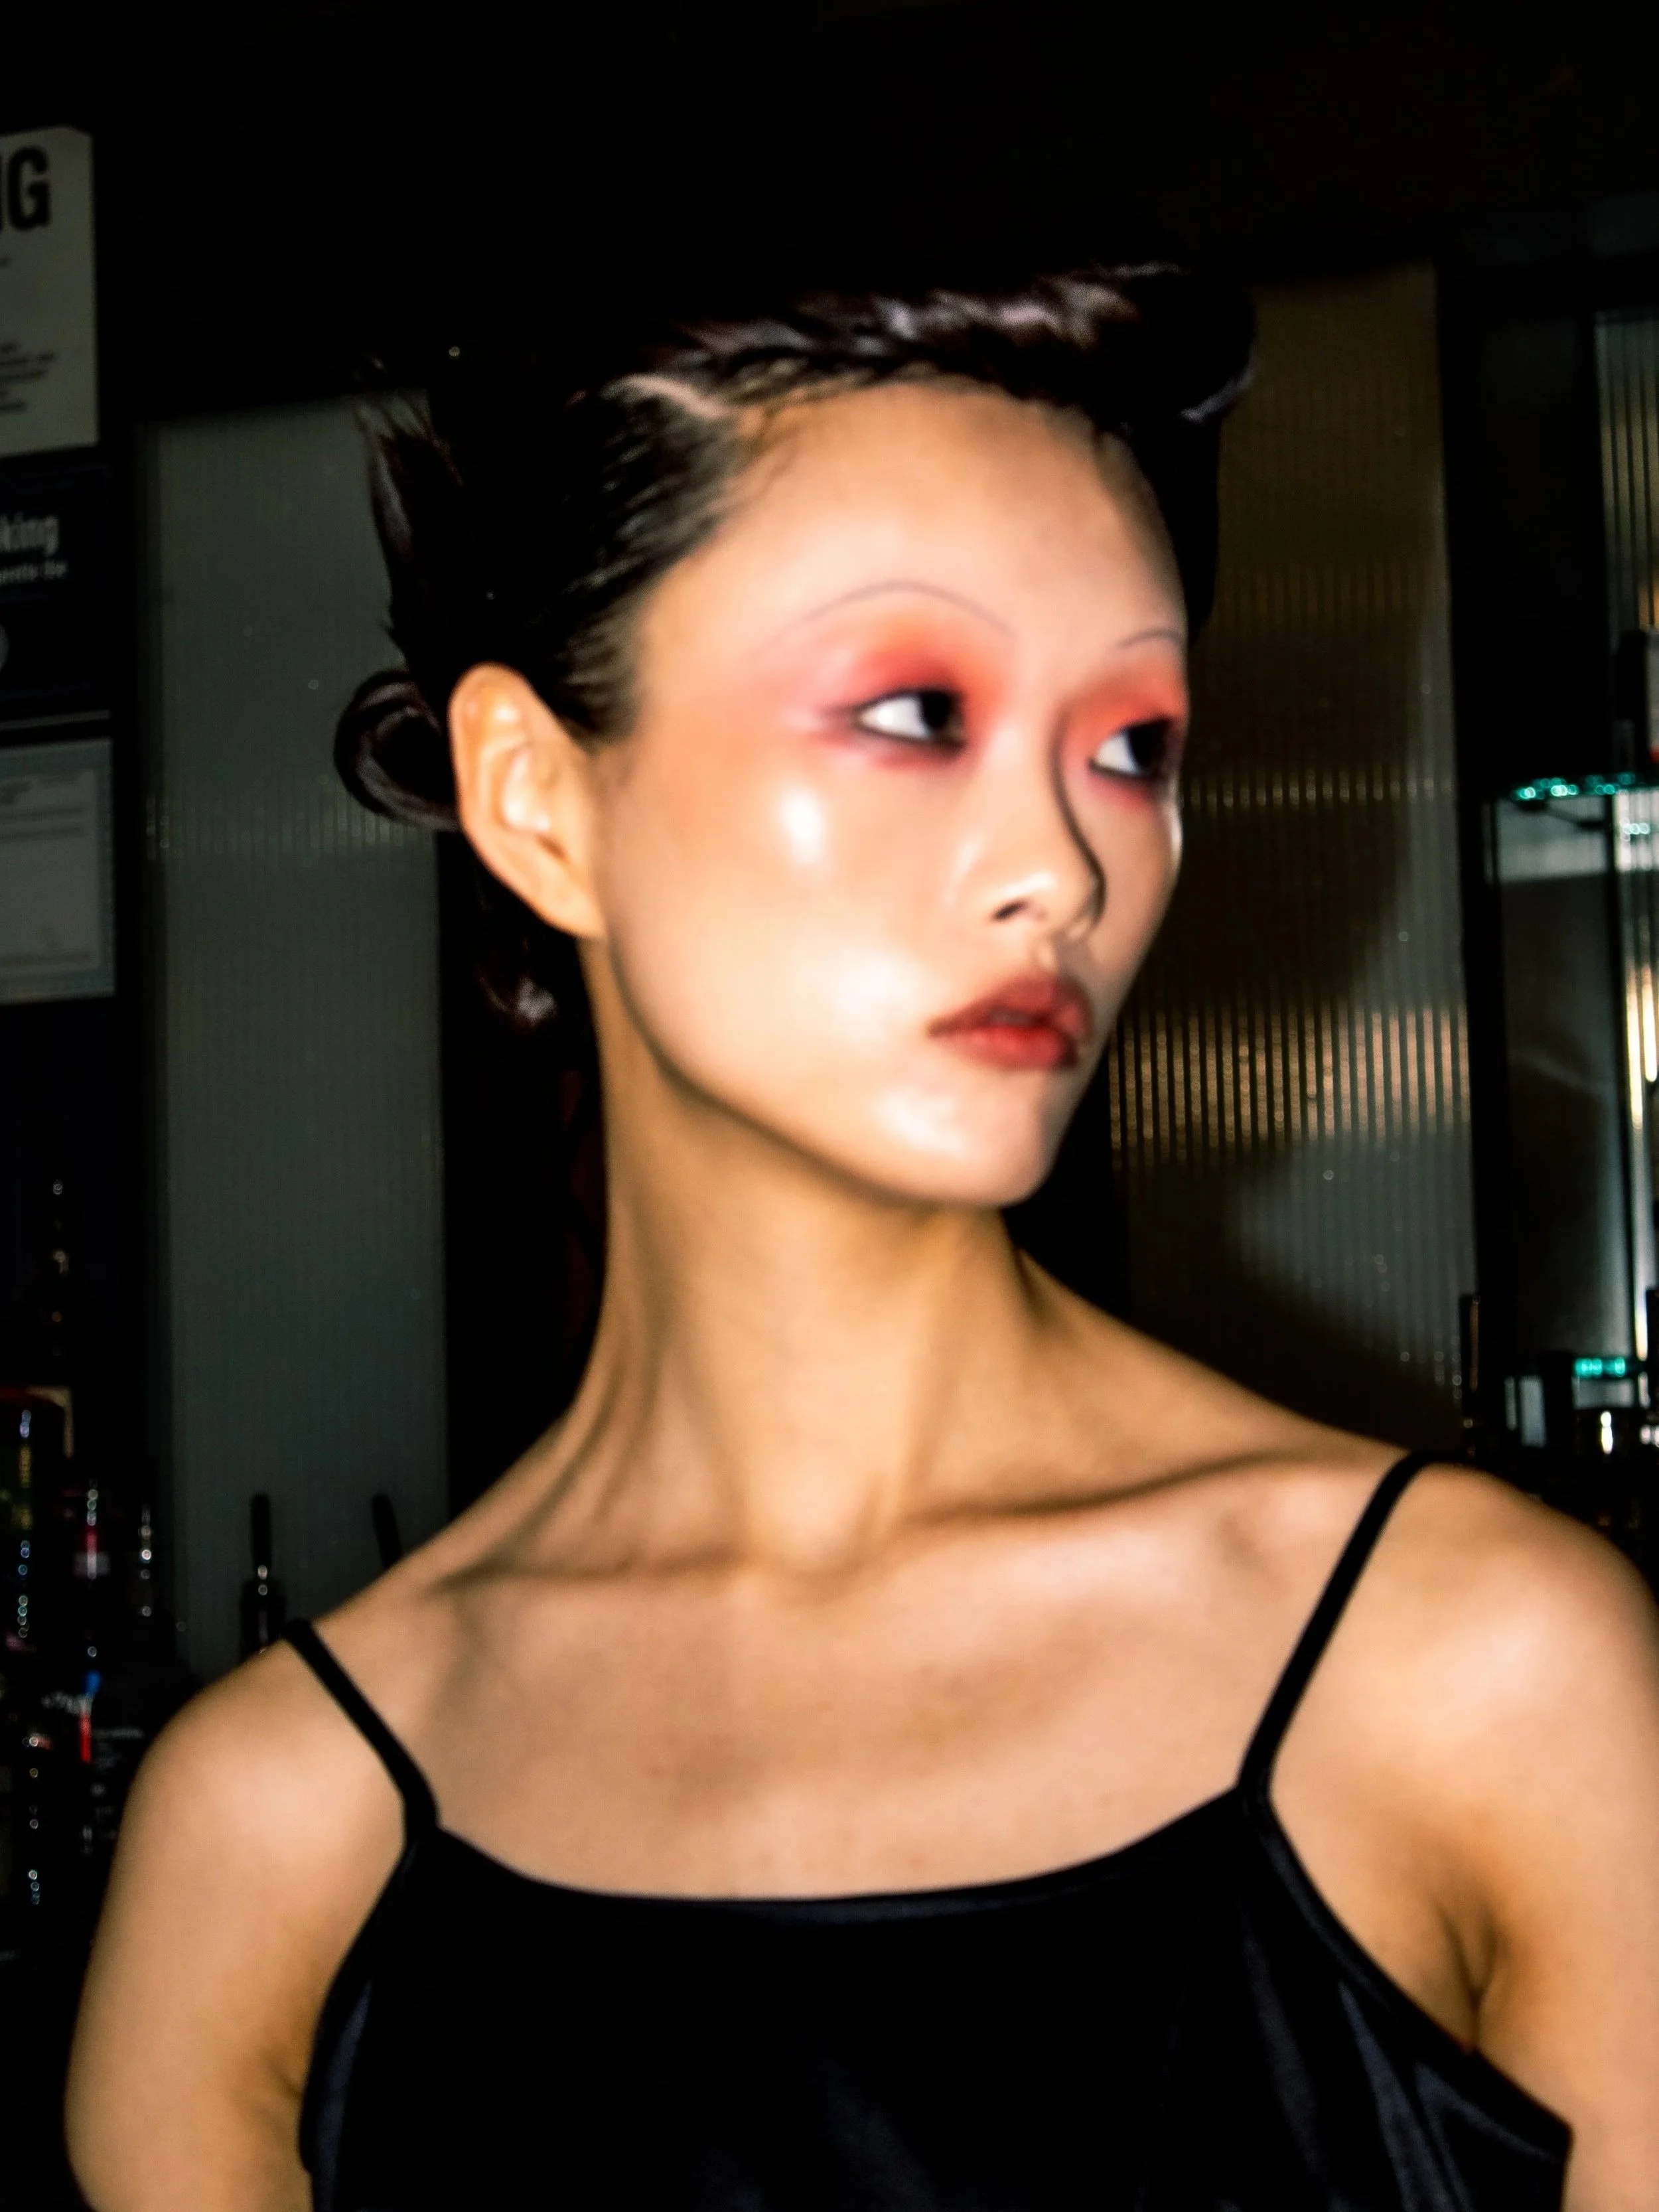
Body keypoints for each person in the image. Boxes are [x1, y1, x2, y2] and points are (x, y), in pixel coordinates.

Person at [66, 252, 1659, 2212]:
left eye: (1133, 743)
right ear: (537, 799)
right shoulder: (273, 1839)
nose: (1057, 862)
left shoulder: (1477, 1670)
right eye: (915, 709)